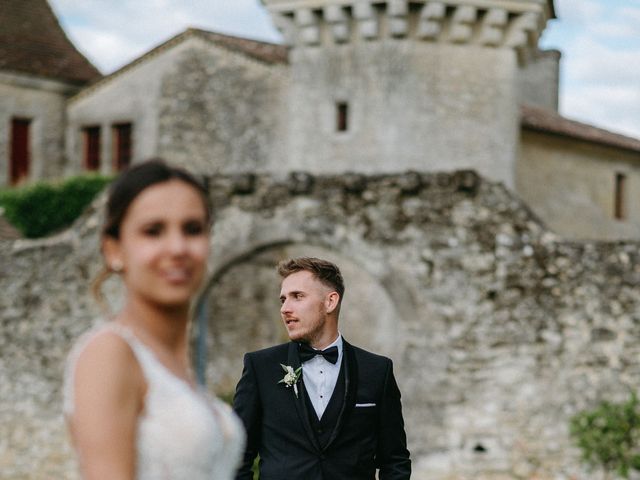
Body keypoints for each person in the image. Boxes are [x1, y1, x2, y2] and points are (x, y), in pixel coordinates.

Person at [63, 159, 245, 480]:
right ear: (114, 250)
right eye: (153, 231)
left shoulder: (175, 366)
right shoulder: (110, 354)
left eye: (192, 229)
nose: (177, 248)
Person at [233, 257, 411, 480]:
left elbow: (394, 460)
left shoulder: (377, 371)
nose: (285, 309)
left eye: (297, 296)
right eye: (283, 299)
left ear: (330, 302)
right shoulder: (260, 367)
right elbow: (235, 457)